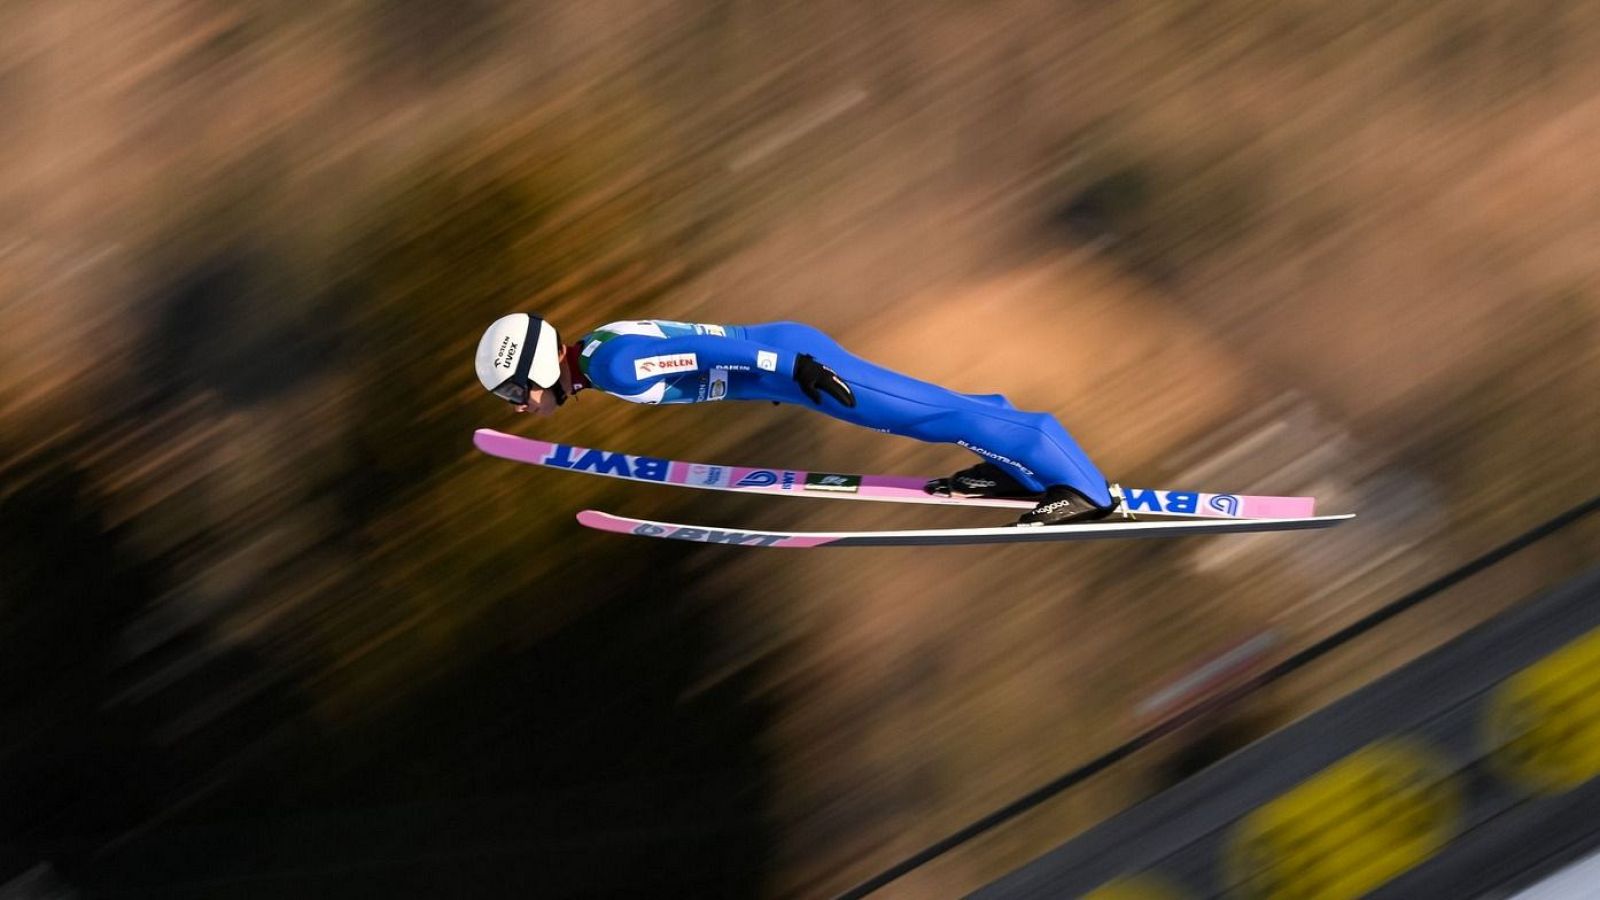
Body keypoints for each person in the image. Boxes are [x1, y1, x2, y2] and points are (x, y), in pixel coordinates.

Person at [474, 313, 1120, 526]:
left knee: (924, 416)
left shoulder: (612, 366)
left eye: (514, 394)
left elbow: (710, 352)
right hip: (787, 365)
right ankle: (1030, 474)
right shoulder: (594, 352)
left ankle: (1081, 484)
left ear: (531, 368)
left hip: (794, 364)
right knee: (927, 413)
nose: (522, 408)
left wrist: (795, 368)